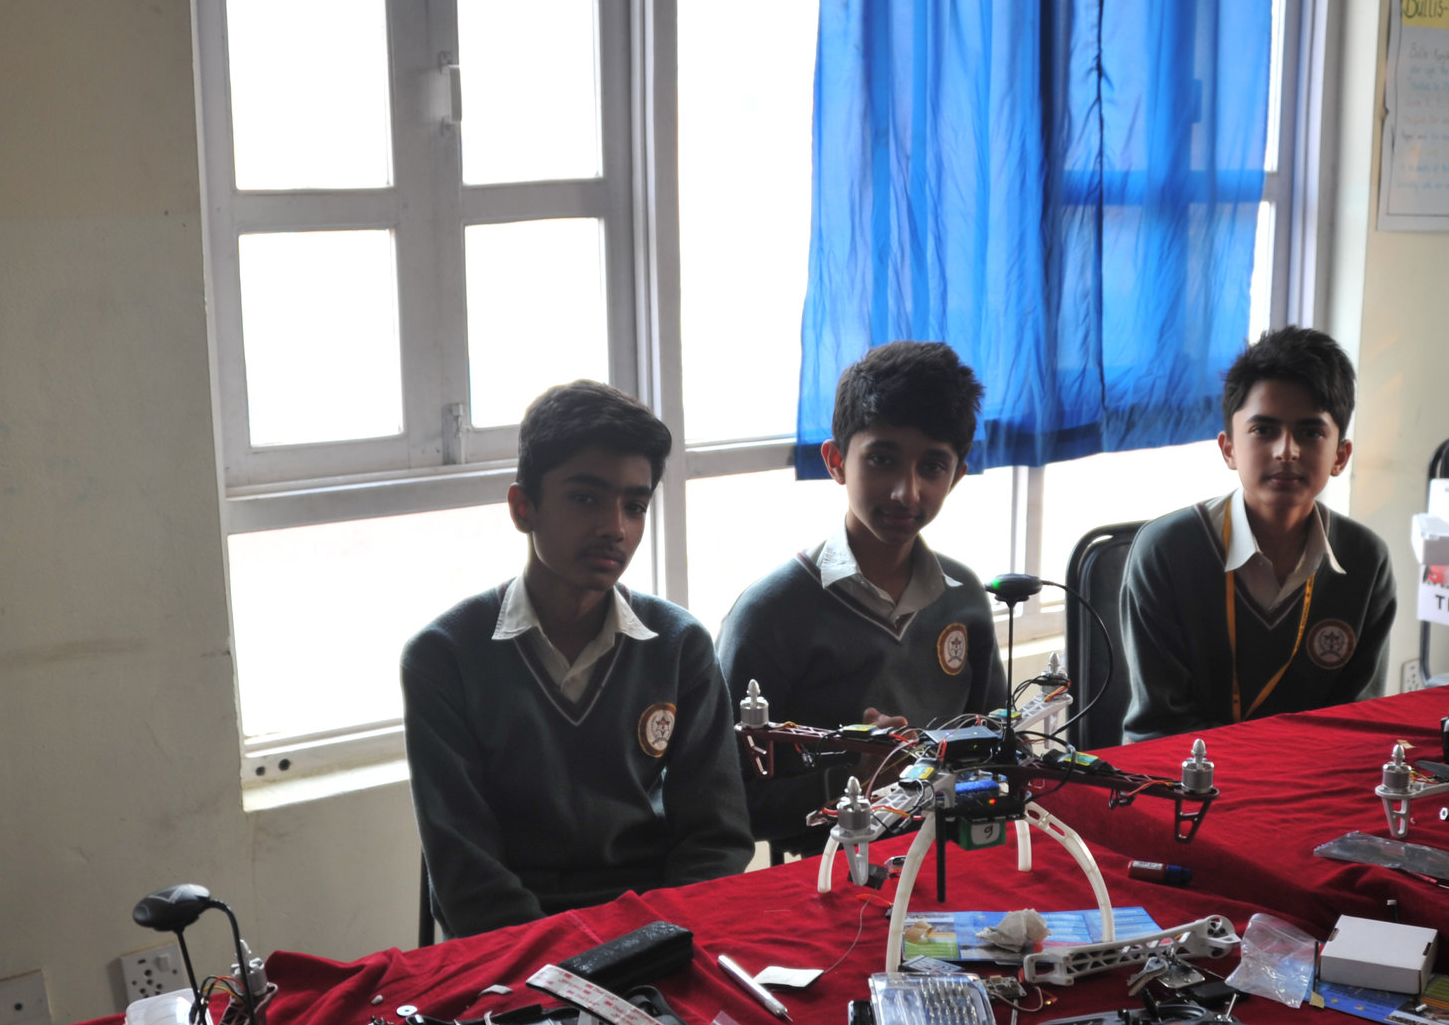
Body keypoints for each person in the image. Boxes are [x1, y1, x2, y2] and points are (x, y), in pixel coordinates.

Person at [402, 381, 751, 937]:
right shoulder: (444, 658)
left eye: (634, 506)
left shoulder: (679, 645)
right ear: (523, 507)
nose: (614, 527)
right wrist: (573, 966)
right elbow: (466, 879)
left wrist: (654, 943)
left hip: (659, 938)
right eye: (586, 497)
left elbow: (716, 840)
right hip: (514, 951)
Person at [718, 341, 1009, 852]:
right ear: (835, 461)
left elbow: (998, 746)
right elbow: (729, 807)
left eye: (932, 467)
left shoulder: (963, 599)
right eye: (882, 459)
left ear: (957, 475)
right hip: (829, 877)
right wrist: (855, 775)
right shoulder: (769, 616)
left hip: (957, 857)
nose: (906, 492)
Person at [1120, 327, 1396, 742]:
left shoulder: (1365, 559)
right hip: (1185, 784)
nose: (1287, 451)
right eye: (1264, 430)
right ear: (1228, 448)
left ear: (1341, 456)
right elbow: (1160, 727)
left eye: (1311, 432)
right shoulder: (1166, 552)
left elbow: (1357, 725)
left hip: (1312, 783)